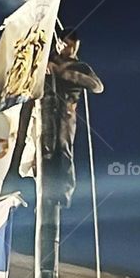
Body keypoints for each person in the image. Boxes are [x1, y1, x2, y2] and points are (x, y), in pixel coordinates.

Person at [41, 30, 104, 206]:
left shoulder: (80, 67)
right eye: (67, 44)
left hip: (65, 112)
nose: (70, 49)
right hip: (44, 109)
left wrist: (64, 73)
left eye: (74, 45)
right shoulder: (47, 60)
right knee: (45, 150)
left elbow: (97, 86)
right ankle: (44, 192)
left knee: (62, 149)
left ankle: (62, 194)